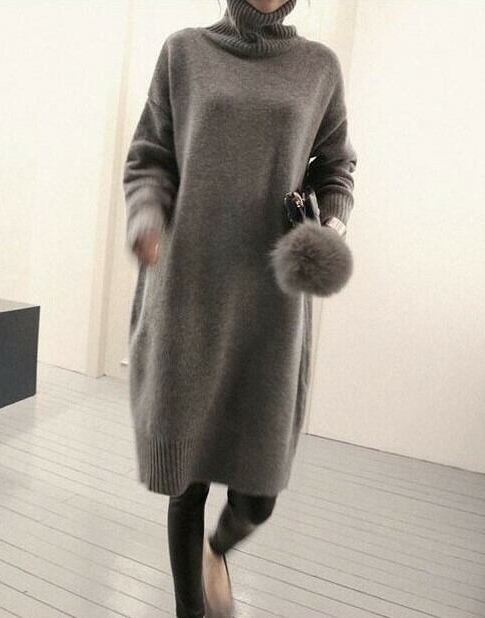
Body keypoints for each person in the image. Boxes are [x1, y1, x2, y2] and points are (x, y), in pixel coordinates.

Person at [122, 0, 357, 616]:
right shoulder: (184, 53)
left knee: (258, 493)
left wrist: (328, 229)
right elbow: (150, 157)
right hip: (189, 294)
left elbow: (337, 168)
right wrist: (146, 217)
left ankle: (217, 549)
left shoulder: (318, 68)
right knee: (187, 482)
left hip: (272, 306)